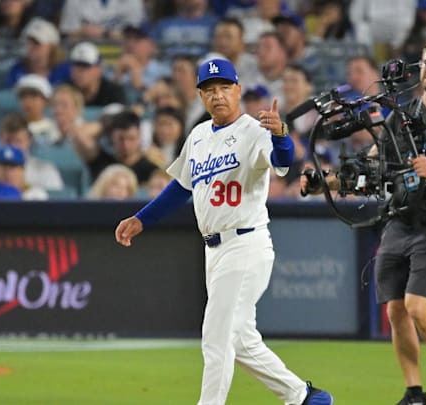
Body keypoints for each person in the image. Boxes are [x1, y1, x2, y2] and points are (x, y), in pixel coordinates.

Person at [115, 58, 333, 405]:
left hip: (245, 243)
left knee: (215, 337)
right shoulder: (199, 135)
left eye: (224, 88)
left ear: (238, 91)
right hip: (213, 250)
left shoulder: (254, 131)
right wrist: (142, 218)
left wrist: (280, 135)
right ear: (200, 96)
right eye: (209, 89)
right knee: (241, 341)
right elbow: (181, 187)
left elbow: (281, 162)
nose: (217, 95)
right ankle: (305, 397)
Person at [301, 39, 426, 405]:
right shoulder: (401, 115)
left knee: (417, 306)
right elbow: (371, 163)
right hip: (400, 218)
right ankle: (414, 392)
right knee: (396, 310)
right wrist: (325, 181)